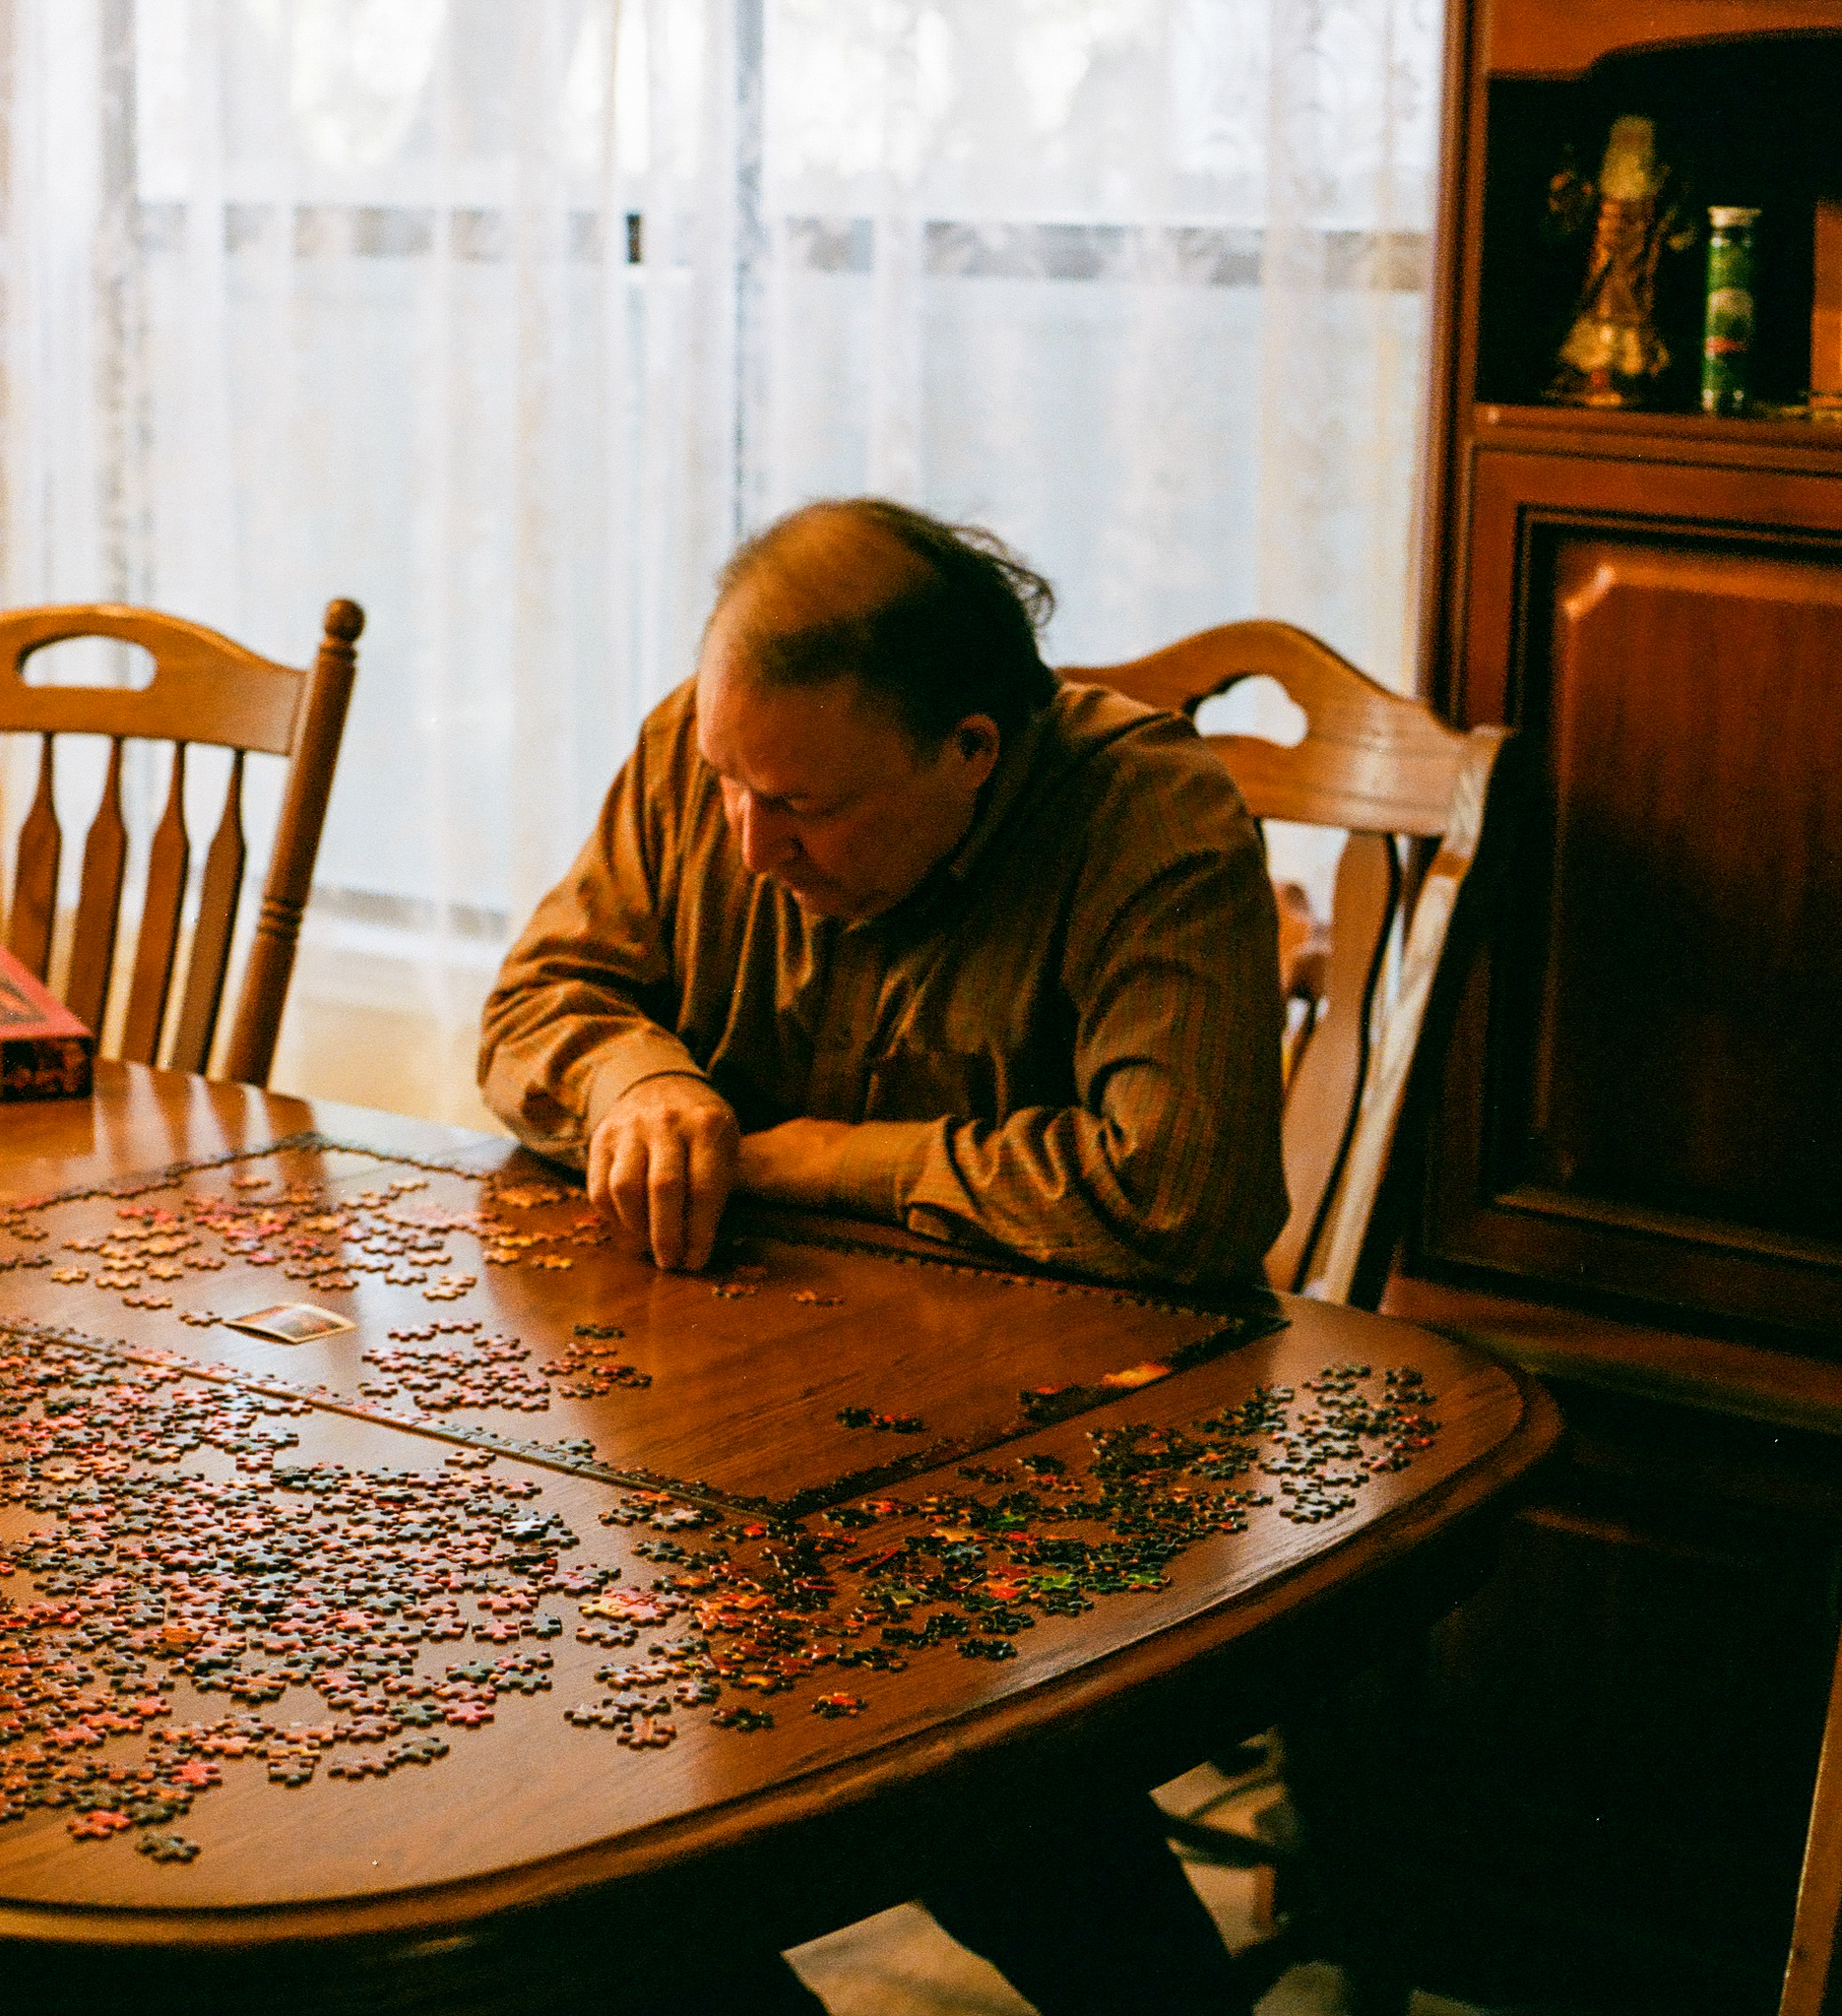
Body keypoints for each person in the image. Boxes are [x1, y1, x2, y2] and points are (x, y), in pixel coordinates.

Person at [477, 497, 1287, 2015]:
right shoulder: (706, 750)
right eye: (726, 784)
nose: (746, 841)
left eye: (801, 807)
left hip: (1051, 1480)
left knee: (982, 1797)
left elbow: (1182, 1198)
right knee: (578, 1788)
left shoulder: (1153, 821)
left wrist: (819, 1157)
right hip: (734, 1445)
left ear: (968, 752)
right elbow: (537, 1002)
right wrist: (632, 1078)